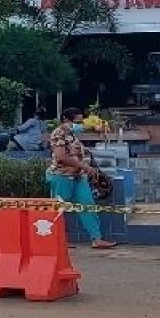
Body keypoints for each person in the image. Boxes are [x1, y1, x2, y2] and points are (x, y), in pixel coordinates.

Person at [47, 107, 117, 250]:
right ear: (66, 120)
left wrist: (86, 166)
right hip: (62, 177)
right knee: (59, 209)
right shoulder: (58, 134)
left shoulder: (73, 135)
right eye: (76, 122)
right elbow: (61, 156)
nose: (79, 125)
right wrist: (84, 167)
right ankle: (56, 240)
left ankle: (96, 238)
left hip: (78, 177)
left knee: (88, 206)